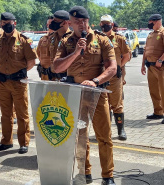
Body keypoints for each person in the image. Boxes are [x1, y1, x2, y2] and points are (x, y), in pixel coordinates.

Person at [54, 6, 116, 185]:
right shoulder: (65, 42)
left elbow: (112, 68)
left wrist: (95, 81)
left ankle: (107, 175)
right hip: (75, 94)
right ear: (70, 24)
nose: (81, 25)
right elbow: (57, 67)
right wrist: (74, 53)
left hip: (97, 93)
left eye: (84, 21)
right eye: (77, 22)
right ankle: (84, 172)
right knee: (80, 136)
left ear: (88, 21)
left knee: (104, 136)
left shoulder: (102, 40)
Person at [0, 12, 37, 153]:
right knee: (5, 114)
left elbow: (31, 62)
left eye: (9, 22)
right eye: (4, 23)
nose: (6, 25)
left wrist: (19, 73)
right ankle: (6, 141)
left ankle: (24, 143)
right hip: (3, 82)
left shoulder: (24, 40)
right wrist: (1, 70)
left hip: (18, 83)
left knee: (22, 114)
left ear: (14, 23)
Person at [100, 15, 131, 140]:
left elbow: (127, 55)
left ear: (112, 25)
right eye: (102, 23)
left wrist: (119, 67)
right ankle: (106, 131)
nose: (103, 26)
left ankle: (120, 130)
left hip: (115, 76)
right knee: (103, 105)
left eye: (106, 23)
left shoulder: (119, 39)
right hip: (101, 77)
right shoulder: (97, 38)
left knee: (117, 103)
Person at [141, 14, 164, 124]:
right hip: (150, 66)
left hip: (160, 67)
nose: (150, 24)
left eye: (151, 22)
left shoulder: (163, 32)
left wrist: (160, 60)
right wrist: (142, 65)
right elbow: (145, 51)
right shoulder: (150, 35)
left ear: (158, 21)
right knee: (154, 91)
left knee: (163, 91)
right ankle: (158, 112)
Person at [48, 10, 72, 81]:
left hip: (66, 79)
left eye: (55, 21)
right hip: (53, 78)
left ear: (64, 22)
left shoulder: (72, 38)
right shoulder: (52, 37)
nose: (52, 22)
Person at [36, 16, 54, 80]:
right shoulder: (43, 39)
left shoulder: (60, 38)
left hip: (55, 75)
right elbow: (38, 53)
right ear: (47, 25)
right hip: (44, 74)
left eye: (53, 23)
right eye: (49, 24)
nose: (51, 25)